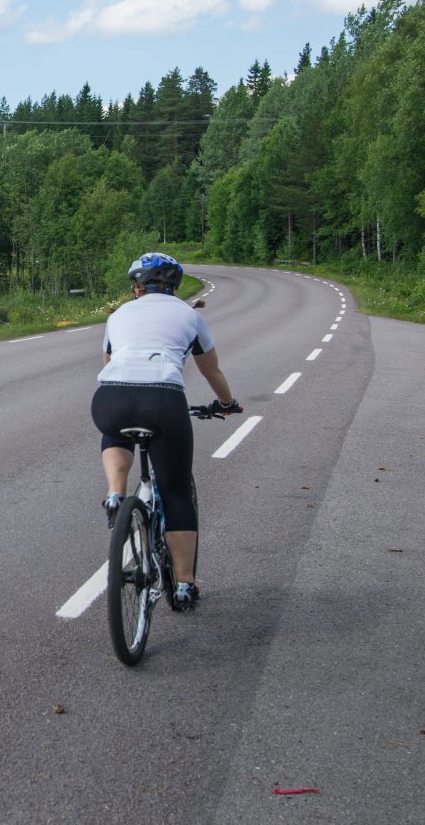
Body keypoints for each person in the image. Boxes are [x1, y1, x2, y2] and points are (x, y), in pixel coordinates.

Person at [92, 253, 240, 611]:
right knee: (175, 491)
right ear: (174, 287)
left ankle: (115, 494)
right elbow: (211, 371)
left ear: (137, 287)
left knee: (115, 433)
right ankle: (186, 584)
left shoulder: (118, 316)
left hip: (110, 396)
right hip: (164, 400)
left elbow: (109, 364)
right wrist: (226, 403)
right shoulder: (191, 315)